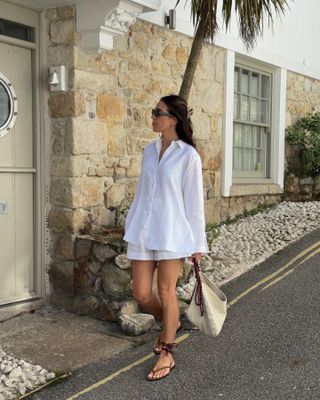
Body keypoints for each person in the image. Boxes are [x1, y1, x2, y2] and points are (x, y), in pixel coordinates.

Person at [123, 95, 209, 381]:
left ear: (173, 120)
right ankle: (171, 323)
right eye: (153, 111)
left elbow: (193, 202)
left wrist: (197, 244)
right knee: (142, 294)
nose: (152, 116)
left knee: (167, 291)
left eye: (157, 112)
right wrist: (132, 220)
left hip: (172, 232)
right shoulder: (149, 151)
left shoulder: (188, 156)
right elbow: (142, 192)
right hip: (144, 230)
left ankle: (167, 351)